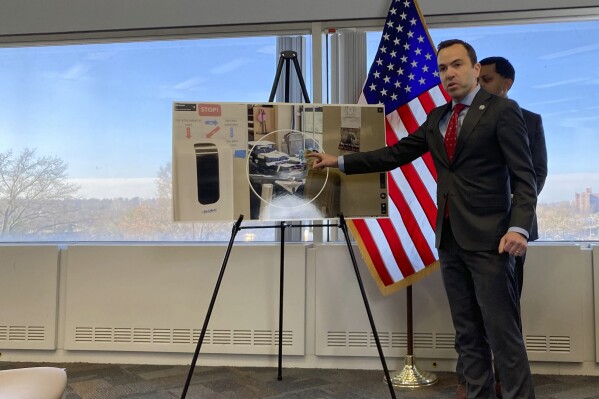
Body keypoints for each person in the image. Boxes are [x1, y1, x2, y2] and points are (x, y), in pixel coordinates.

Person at [308, 39, 537, 399]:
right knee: (467, 334)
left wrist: (518, 227)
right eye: (443, 68)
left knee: (502, 333)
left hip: (491, 241)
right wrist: (338, 161)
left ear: (475, 70)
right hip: (448, 240)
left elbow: (525, 176)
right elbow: (395, 154)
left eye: (457, 65)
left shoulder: (502, 112)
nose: (450, 74)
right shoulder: (438, 117)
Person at [452, 56, 548, 399]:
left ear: (507, 83)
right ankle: (468, 378)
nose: (482, 83)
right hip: (465, 229)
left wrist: (510, 221)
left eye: (489, 79)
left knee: (502, 312)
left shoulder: (530, 121)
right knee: (467, 313)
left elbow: (534, 176)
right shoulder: (456, 120)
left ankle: (505, 380)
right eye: (481, 76)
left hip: (509, 230)